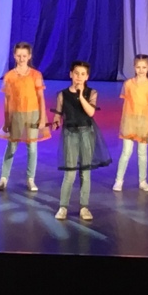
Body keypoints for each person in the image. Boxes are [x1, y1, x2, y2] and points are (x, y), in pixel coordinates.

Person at [52, 61, 111, 220]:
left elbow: (91, 112)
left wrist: (80, 96)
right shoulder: (62, 95)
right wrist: (56, 121)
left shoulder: (91, 93)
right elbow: (58, 113)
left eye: (82, 74)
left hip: (86, 133)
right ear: (71, 74)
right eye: (76, 73)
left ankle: (84, 207)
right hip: (70, 134)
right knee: (70, 173)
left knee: (85, 172)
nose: (79, 77)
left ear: (87, 77)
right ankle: (63, 207)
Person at [0, 41, 49, 192]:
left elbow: (40, 97)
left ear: (29, 56)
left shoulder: (36, 75)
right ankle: (3, 178)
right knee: (12, 147)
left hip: (32, 115)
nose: (21, 58)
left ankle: (30, 179)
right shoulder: (10, 76)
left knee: (32, 148)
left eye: (24, 56)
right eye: (19, 55)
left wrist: (42, 118)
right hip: (16, 116)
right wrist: (6, 121)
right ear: (14, 56)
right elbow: (7, 100)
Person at [113, 53, 148, 192]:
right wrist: (124, 123)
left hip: (144, 123)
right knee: (126, 152)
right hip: (130, 121)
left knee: (142, 153)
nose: (141, 70)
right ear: (134, 67)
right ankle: (119, 181)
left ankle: (143, 181)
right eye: (138, 67)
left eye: (144, 67)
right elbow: (126, 105)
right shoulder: (128, 84)